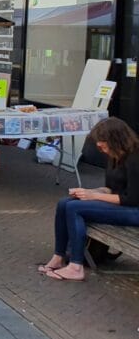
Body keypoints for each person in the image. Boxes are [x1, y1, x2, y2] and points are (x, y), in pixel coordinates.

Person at [40, 117, 139, 281]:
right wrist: (87, 192)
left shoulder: (135, 159)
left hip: (134, 210)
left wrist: (94, 196)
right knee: (65, 203)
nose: (100, 147)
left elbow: (132, 199)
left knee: (74, 208)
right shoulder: (115, 155)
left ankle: (75, 266)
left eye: (102, 142)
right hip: (125, 204)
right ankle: (59, 256)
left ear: (115, 139)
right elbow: (111, 189)